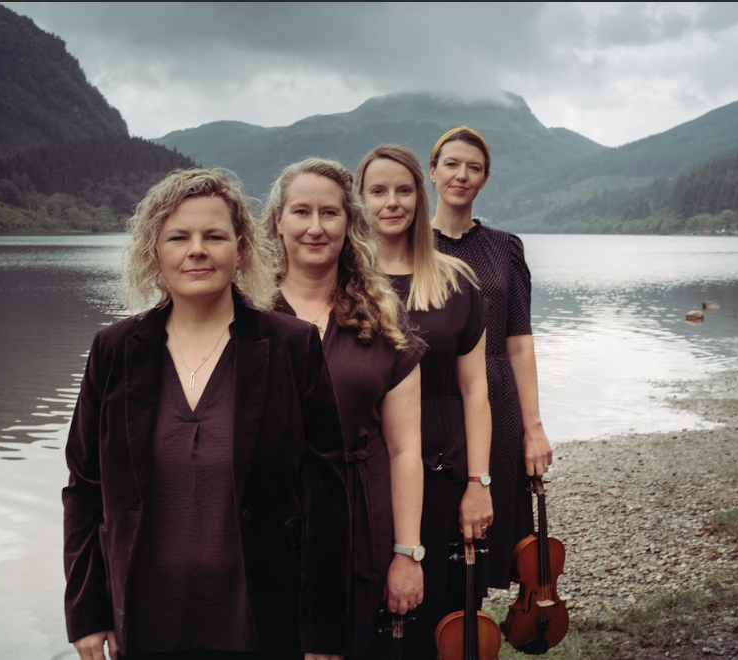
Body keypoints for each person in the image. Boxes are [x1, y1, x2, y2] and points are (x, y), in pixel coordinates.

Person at [62, 168, 351, 660]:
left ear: (241, 251)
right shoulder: (114, 350)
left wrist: (323, 632)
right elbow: (84, 489)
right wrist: (87, 612)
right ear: (156, 252)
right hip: (146, 623)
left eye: (214, 236)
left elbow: (325, 496)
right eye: (179, 237)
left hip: (262, 624)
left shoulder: (292, 346)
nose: (197, 249)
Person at [262, 157, 426, 659]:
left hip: (360, 528)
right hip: (267, 528)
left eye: (330, 214)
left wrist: (406, 554)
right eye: (301, 212)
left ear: (350, 224)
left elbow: (405, 450)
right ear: (278, 222)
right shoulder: (244, 314)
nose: (315, 228)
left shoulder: (382, 320)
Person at [355, 143, 493, 658]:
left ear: (420, 194)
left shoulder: (457, 281)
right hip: (364, 466)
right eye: (378, 191)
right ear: (360, 201)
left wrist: (479, 482)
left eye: (403, 190)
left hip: (441, 465)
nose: (392, 202)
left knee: (436, 608)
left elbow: (476, 390)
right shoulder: (344, 283)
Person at [428, 126, 554, 599]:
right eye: (453, 164)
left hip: (497, 398)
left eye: (474, 168)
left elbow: (520, 342)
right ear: (433, 170)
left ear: (484, 179)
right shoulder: (412, 244)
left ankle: (469, 631)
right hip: (432, 395)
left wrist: (533, 427)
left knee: (484, 527)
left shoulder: (505, 248)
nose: (462, 175)